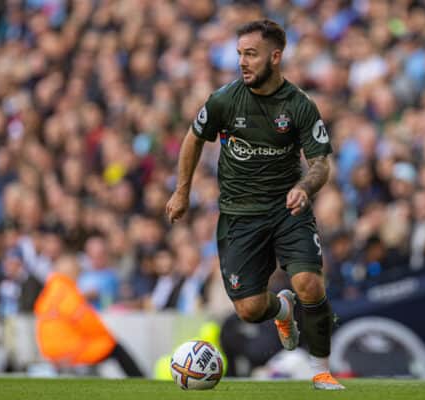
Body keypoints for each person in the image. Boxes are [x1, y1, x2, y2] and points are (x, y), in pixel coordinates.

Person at [165, 19, 343, 390]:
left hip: (287, 210)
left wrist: (305, 188)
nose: (243, 62)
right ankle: (281, 309)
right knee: (249, 310)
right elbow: (193, 138)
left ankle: (322, 370)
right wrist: (182, 191)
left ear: (275, 57)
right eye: (240, 54)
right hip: (239, 216)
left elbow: (321, 163)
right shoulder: (225, 100)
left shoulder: (298, 106)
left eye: (251, 54)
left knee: (309, 283)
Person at [34, 255, 143, 377]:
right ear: (71, 272)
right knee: (112, 346)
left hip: (49, 351)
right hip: (70, 351)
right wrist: (107, 336)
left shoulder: (48, 292)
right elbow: (88, 322)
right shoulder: (67, 293)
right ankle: (142, 382)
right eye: (77, 272)